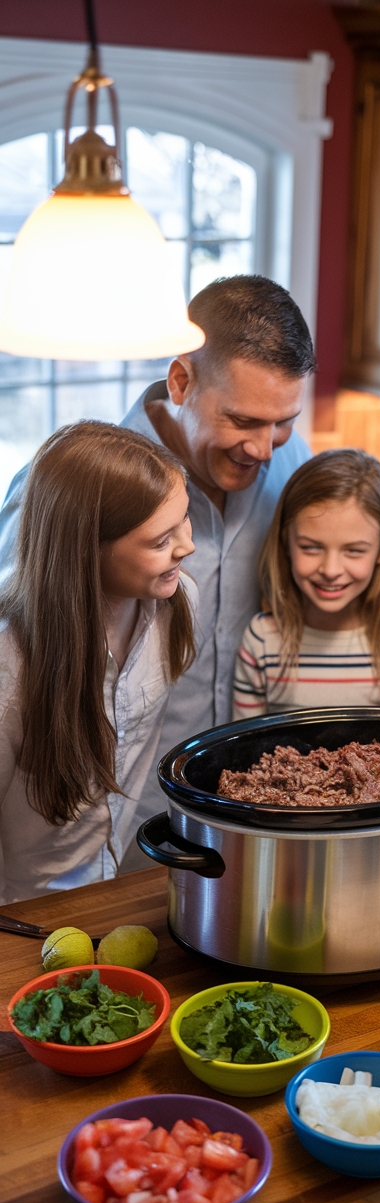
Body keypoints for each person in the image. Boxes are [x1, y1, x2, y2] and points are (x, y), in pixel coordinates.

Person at [0, 275, 314, 859]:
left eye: (284, 421)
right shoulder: (72, 490)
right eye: (243, 421)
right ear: (181, 380)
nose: (265, 448)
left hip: (244, 813)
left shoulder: (292, 462)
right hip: (96, 832)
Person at [0, 422, 196, 902]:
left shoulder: (177, 603)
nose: (186, 546)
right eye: (159, 541)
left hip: (107, 886)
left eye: (184, 521)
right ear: (85, 551)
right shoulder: (10, 670)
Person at [232, 449, 380, 717]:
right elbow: (244, 752)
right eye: (310, 548)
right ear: (286, 541)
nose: (331, 571)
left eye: (354, 551)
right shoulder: (262, 641)